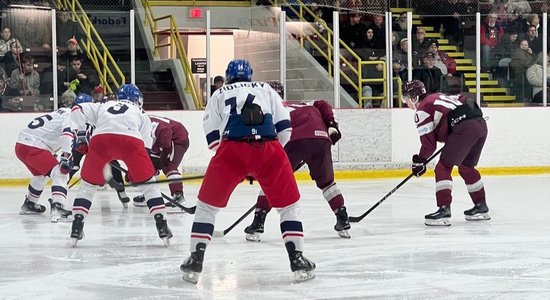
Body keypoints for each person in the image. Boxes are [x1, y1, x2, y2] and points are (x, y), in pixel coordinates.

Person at [180, 59, 315, 284]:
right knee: (288, 207)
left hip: (231, 150)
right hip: (269, 148)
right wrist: (266, 160)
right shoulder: (267, 89)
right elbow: (284, 128)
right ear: (250, 74)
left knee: (206, 208)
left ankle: (196, 259)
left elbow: (213, 139)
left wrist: (237, 164)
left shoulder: (219, 93)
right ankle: (297, 259)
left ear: (228, 75)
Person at [243, 80, 349, 241]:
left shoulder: (267, 110)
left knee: (271, 179)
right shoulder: (302, 103)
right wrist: (331, 125)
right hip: (321, 138)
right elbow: (323, 104)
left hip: (293, 139)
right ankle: (342, 217)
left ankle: (258, 222)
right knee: (327, 183)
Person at [69, 83, 172, 247]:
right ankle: (162, 224)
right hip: (131, 141)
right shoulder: (142, 113)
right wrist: (136, 174)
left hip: (101, 140)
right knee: (150, 187)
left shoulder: (104, 105)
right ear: (137, 99)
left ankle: (77, 225)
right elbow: (144, 149)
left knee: (87, 187)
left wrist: (80, 134)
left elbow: (77, 109)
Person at [401, 80, 490, 226]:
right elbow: (464, 101)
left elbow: (429, 146)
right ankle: (481, 206)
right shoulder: (437, 97)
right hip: (480, 125)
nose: (406, 102)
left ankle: (444, 210)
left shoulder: (422, 109)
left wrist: (419, 161)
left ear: (414, 97)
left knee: (442, 167)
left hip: (465, 129)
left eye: (406, 98)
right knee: (466, 168)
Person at [14, 101, 74, 222]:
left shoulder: (59, 113)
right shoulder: (72, 115)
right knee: (60, 173)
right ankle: (58, 207)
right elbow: (67, 134)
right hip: (34, 146)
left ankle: (29, 204)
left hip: (21, 146)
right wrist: (66, 157)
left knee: (40, 175)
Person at [133, 115, 190, 213]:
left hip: (176, 137)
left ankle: (179, 197)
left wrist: (166, 151)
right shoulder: (135, 124)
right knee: (149, 165)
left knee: (168, 165)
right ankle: (151, 194)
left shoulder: (146, 123)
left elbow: (166, 130)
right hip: (161, 140)